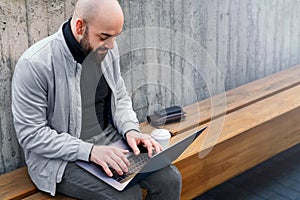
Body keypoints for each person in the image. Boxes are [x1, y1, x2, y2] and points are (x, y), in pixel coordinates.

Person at [11, 0, 182, 199]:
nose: (111, 46)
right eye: (104, 37)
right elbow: (31, 134)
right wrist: (90, 151)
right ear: (80, 26)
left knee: (170, 179)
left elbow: (120, 97)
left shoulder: (107, 49)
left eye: (115, 37)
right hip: (60, 160)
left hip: (110, 142)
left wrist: (131, 130)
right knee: (128, 196)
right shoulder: (35, 64)